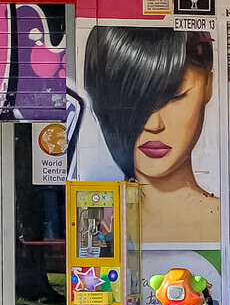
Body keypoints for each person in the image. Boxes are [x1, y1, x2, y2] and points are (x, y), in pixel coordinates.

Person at [83, 27, 219, 244]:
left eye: (175, 97)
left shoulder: (227, 223)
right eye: (130, 103)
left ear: (207, 86)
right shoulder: (100, 225)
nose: (153, 124)